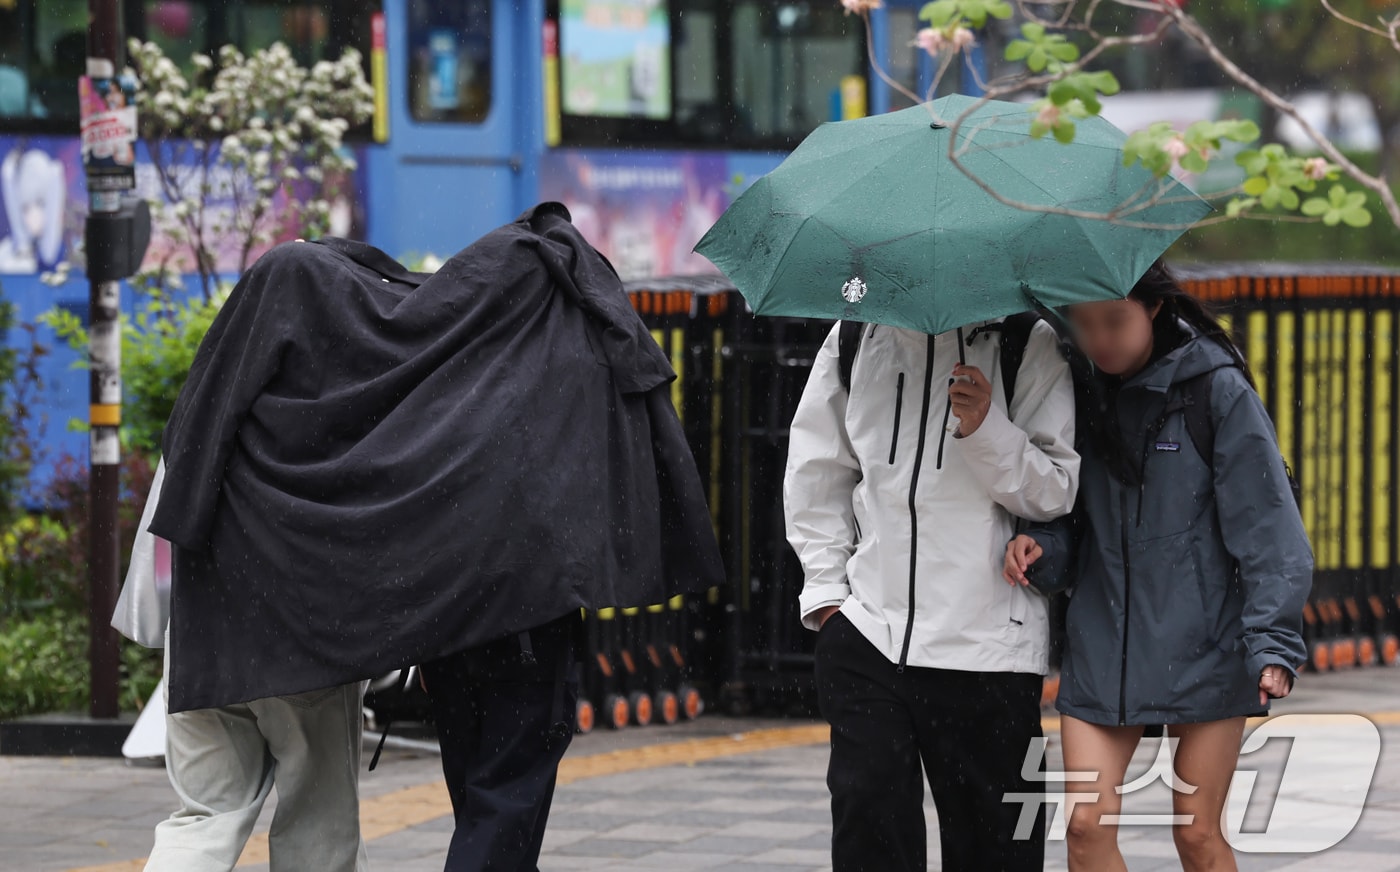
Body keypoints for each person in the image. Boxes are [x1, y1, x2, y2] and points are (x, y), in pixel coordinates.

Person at [1004, 261, 1312, 872]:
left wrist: (1273, 638)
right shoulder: (1074, 385)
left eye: (1115, 320)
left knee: (1197, 837)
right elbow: (1066, 510)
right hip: (1105, 638)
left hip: (1207, 642)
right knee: (1086, 828)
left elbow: (1268, 524)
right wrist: (1043, 548)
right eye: (1084, 324)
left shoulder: (1214, 389)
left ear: (1153, 308)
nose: (1100, 339)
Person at [785, 312, 1080, 871]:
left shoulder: (1027, 340)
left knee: (996, 851)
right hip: (870, 635)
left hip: (989, 648)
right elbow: (816, 467)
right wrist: (827, 598)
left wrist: (987, 427)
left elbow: (1055, 490)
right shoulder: (857, 333)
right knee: (869, 840)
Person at [114, 461, 368, 872]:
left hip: (199, 629)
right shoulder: (315, 399)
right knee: (318, 820)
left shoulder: (201, 400)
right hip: (302, 628)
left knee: (202, 818)